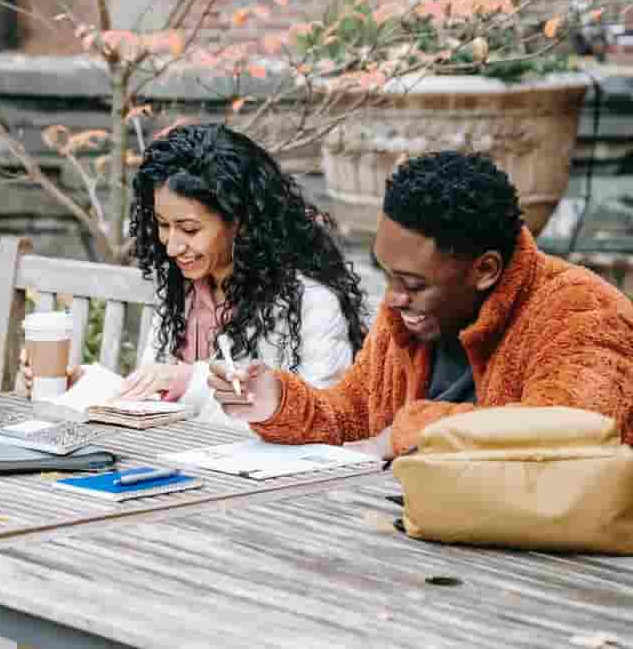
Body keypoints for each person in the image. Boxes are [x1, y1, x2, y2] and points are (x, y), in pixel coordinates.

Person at [210, 150, 633, 456]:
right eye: (387, 274)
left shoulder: (583, 312)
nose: (392, 297)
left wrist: (406, 432)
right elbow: (351, 418)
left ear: (485, 270)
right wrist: (276, 401)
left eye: (412, 282)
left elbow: (567, 434)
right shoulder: (406, 314)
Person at [21, 123, 370, 425]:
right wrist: (81, 383)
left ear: (240, 222)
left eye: (189, 229)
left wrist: (191, 381)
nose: (172, 247)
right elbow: (155, 400)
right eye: (162, 225)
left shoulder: (310, 303)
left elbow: (321, 421)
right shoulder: (181, 291)